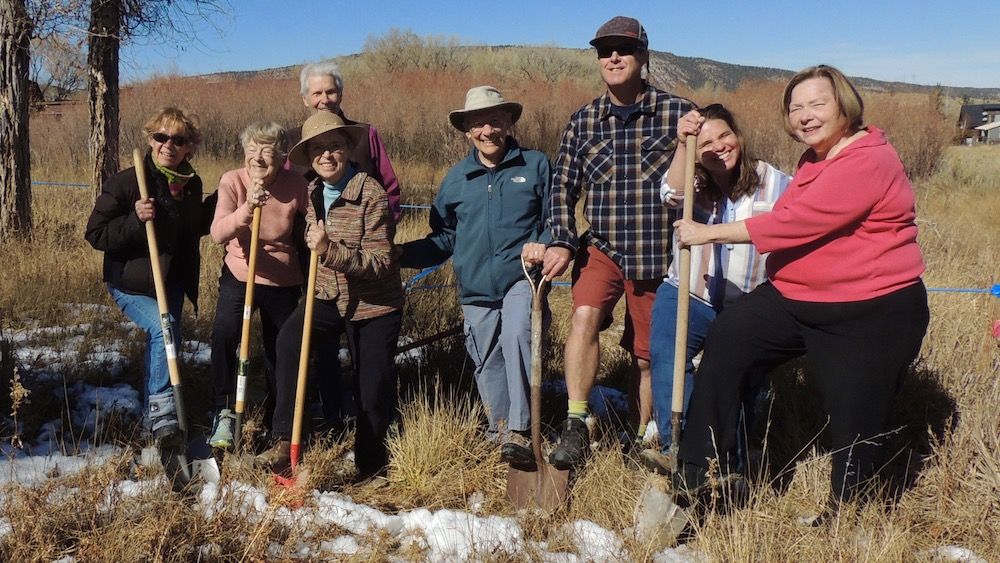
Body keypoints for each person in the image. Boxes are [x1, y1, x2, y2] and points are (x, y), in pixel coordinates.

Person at [672, 65, 930, 506]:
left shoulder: (869, 158)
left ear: (844, 105)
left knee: (855, 419)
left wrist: (708, 232)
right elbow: (788, 216)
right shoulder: (814, 159)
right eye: (796, 108)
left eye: (817, 104)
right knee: (730, 337)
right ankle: (700, 469)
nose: (805, 116)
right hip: (797, 296)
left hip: (869, 309)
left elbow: (795, 223)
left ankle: (849, 512)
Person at [540, 16, 694, 469]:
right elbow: (562, 188)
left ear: (643, 56)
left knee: (645, 356)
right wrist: (562, 241)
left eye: (623, 49)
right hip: (602, 247)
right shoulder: (583, 121)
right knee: (583, 318)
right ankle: (576, 421)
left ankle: (641, 435)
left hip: (657, 252)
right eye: (604, 51)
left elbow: (708, 175)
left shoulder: (678, 114)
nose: (613, 57)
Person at [400, 86, 552, 466]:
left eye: (494, 121)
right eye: (478, 124)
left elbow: (555, 219)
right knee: (487, 360)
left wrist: (544, 243)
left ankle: (521, 429)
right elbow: (444, 238)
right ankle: (501, 432)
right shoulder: (456, 179)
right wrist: (400, 254)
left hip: (523, 278)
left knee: (519, 334)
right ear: (467, 130)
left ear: (508, 122)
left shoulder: (535, 166)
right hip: (475, 287)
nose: (487, 131)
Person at [639, 104, 790, 474]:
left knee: (737, 382)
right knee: (668, 357)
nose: (719, 147)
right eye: (705, 143)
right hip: (691, 295)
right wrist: (682, 143)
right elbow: (670, 195)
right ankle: (681, 448)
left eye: (724, 136)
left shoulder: (777, 183)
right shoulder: (694, 182)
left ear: (738, 135)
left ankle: (727, 461)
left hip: (749, 304)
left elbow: (794, 227)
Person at [257, 111, 404, 481]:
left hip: (374, 304)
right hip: (328, 295)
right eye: (317, 149)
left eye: (334, 146)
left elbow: (381, 263)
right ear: (309, 157)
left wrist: (329, 250)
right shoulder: (312, 192)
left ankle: (371, 467)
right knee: (290, 341)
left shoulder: (370, 193)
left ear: (348, 149)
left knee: (370, 388)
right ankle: (285, 440)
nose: (326, 155)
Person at [85, 106, 216, 487]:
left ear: (189, 147)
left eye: (178, 139)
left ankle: (155, 417)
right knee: (164, 330)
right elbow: (95, 234)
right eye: (161, 137)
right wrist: (134, 220)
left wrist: (225, 198)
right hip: (130, 283)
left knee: (166, 338)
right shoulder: (129, 182)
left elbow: (192, 228)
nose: (168, 145)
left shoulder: (191, 184)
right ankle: (162, 416)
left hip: (169, 281)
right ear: (150, 139)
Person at [297, 61, 404, 427]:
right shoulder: (299, 141)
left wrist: (377, 232)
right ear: (305, 98)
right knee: (318, 348)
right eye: (317, 92)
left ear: (340, 94)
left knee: (368, 362)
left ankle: (370, 426)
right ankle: (330, 415)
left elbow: (390, 189)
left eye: (331, 91)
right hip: (318, 266)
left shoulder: (364, 134)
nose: (324, 98)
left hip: (365, 264)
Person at [207, 122, 309, 450]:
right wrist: (248, 208)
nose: (258, 157)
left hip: (283, 279)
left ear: (282, 156)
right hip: (241, 273)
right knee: (224, 333)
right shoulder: (232, 180)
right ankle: (225, 411)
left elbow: (311, 222)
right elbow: (218, 233)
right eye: (252, 149)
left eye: (267, 150)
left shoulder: (297, 185)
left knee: (282, 348)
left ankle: (279, 422)